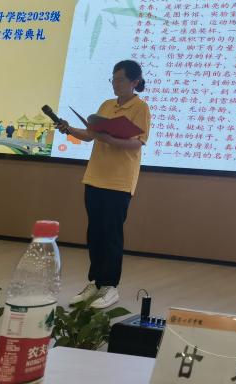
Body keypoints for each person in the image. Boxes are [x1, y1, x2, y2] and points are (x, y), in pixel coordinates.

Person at [55, 60, 150, 309]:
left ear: (135, 82)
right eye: (113, 79)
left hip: (119, 180)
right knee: (95, 233)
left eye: (120, 80)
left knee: (111, 234)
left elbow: (137, 143)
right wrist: (69, 129)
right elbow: (90, 135)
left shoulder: (140, 107)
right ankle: (95, 283)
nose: (115, 84)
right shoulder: (107, 105)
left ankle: (110, 286)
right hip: (95, 176)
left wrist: (108, 138)